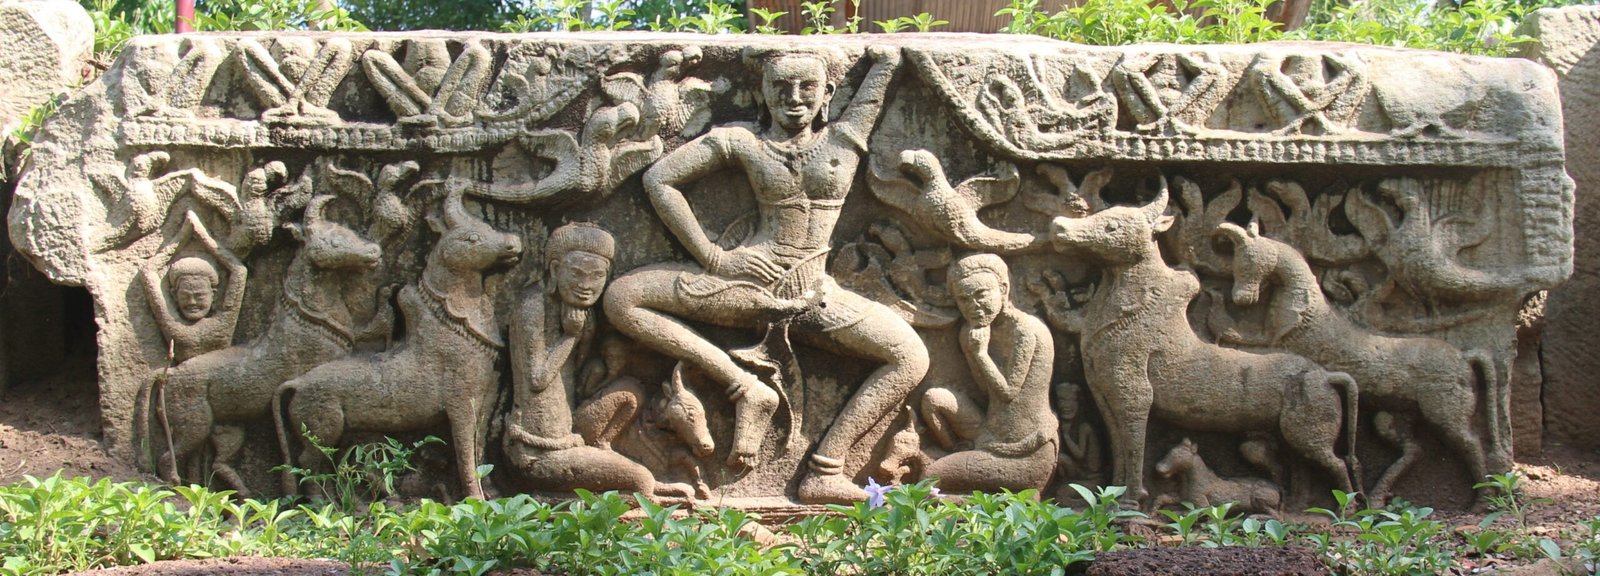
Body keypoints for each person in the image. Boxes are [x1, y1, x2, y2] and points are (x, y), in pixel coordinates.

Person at [604, 45, 929, 504]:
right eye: (780, 87)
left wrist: (889, 59)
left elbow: (877, 86)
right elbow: (660, 179)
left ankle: (825, 469)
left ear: (827, 94)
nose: (794, 98)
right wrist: (715, 258)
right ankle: (745, 388)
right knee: (622, 298)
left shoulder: (844, 139)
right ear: (761, 93)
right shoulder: (743, 141)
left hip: (816, 296)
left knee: (910, 357)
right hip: (748, 285)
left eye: (807, 87)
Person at [506, 223, 694, 502]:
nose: (586, 286)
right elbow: (537, 378)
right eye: (577, 273)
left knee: (629, 392)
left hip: (570, 433)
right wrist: (570, 336)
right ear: (555, 270)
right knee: (641, 479)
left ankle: (609, 461)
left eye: (597, 276)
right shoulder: (533, 306)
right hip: (538, 451)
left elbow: (579, 372)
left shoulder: (580, 310)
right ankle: (622, 491)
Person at [922, 254, 1058, 494]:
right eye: (964, 299)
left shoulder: (1025, 329)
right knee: (934, 399)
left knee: (931, 476)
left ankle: (1012, 496)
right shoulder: (972, 332)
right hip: (990, 432)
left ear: (1003, 289)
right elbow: (987, 390)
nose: (974, 306)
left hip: (1024, 451)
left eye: (981, 295)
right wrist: (974, 352)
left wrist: (980, 354)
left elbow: (1008, 393)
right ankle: (958, 450)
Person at [142, 210, 246, 364]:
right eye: (185, 296)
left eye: (199, 296)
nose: (192, 302)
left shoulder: (224, 321)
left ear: (214, 294)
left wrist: (203, 236)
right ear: (174, 296)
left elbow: (239, 271)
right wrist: (181, 237)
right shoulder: (173, 324)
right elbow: (148, 272)